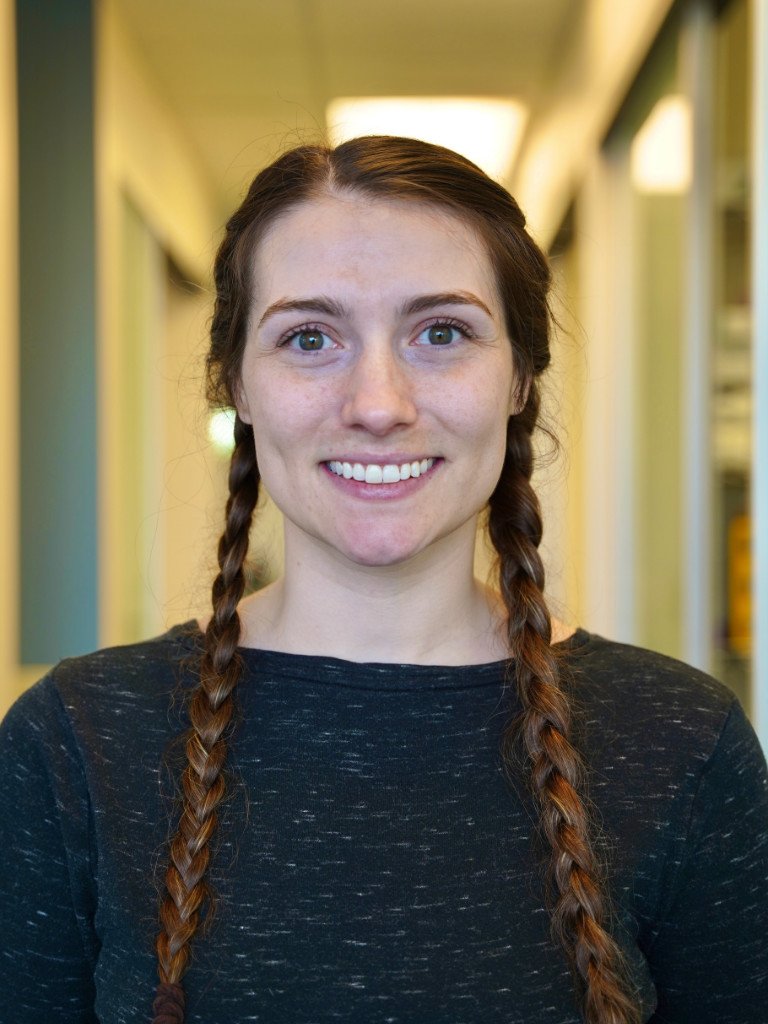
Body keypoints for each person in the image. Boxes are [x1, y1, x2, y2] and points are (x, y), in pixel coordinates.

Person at [1, 136, 767, 1024]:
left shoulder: (679, 740)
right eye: (310, 337)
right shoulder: (75, 743)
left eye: (441, 332)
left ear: (520, 376)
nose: (378, 403)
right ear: (237, 385)